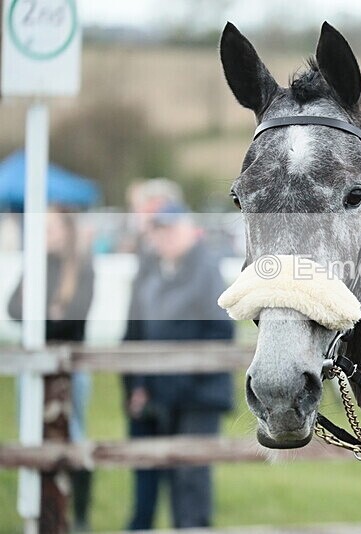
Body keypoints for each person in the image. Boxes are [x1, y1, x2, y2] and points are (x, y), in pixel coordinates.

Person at [124, 201, 233, 530]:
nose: (165, 237)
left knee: (190, 482)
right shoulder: (150, 271)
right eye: (159, 230)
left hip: (198, 394)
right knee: (155, 476)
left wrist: (170, 384)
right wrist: (138, 385)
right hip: (159, 393)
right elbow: (136, 334)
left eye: (171, 229)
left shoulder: (206, 268)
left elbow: (219, 331)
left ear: (188, 230)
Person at [8, 208, 95, 532]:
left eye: (52, 227)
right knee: (33, 437)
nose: (46, 234)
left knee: (74, 438)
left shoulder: (82, 267)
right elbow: (13, 308)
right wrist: (51, 310)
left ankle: (80, 517)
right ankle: (43, 509)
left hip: (70, 370)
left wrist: (42, 312)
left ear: (66, 230)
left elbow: (74, 318)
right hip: (33, 368)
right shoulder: (36, 265)